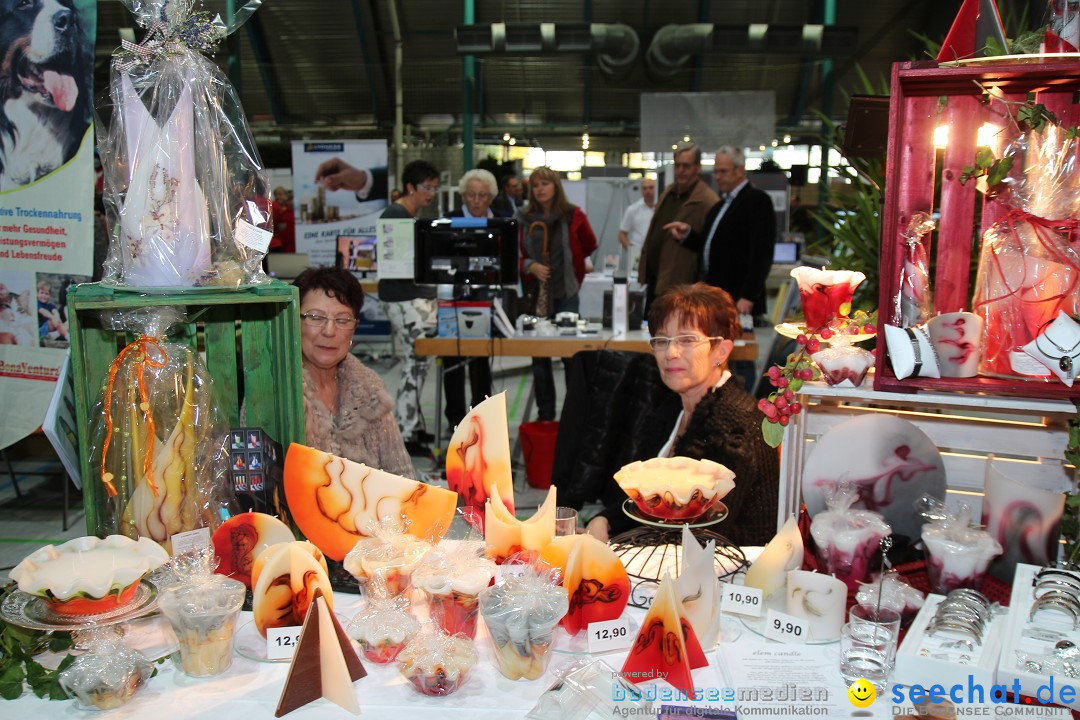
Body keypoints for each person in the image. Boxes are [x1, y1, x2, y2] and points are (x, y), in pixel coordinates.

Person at [584, 283, 779, 546]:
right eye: (662, 341)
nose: (670, 353)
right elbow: (643, 495)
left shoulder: (735, 423)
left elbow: (705, 535)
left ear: (721, 351)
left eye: (687, 340)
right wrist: (604, 520)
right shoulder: (671, 408)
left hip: (725, 570)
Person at [294, 267, 414, 478]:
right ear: (295, 321)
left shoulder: (370, 389)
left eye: (342, 320)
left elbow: (401, 474)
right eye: (315, 317)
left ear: (354, 328)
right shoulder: (277, 390)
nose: (329, 331)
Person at [519, 167, 598, 421]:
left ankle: (573, 416)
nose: (540, 188)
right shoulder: (523, 217)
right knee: (540, 358)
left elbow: (589, 244)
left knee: (570, 357)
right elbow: (514, 253)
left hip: (566, 293)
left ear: (555, 186)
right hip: (536, 295)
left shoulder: (573, 215)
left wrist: (574, 270)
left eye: (545, 183)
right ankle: (546, 416)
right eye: (536, 184)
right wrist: (530, 265)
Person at [664, 146, 777, 318]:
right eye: (716, 172)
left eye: (723, 172)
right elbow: (715, 246)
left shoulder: (757, 201)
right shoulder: (721, 205)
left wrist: (748, 296)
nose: (717, 177)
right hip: (716, 297)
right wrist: (688, 235)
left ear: (739, 171)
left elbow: (762, 253)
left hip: (738, 300)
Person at [380, 160, 441, 453]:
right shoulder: (396, 214)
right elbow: (399, 262)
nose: (431, 193)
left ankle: (412, 426)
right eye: (426, 187)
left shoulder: (410, 214)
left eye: (434, 187)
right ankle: (404, 433)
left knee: (420, 363)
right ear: (410, 187)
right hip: (405, 298)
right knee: (415, 363)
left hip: (415, 296)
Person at [442, 169, 497, 429]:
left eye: (483, 195)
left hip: (485, 295)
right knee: (452, 358)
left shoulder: (499, 222)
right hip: (453, 296)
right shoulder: (449, 220)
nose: (477, 201)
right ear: (464, 196)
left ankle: (482, 417)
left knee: (481, 358)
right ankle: (454, 418)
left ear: (491, 197)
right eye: (472, 195)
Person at [637, 144, 718, 312]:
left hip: (680, 287)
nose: (681, 170)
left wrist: (689, 236)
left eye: (686, 166)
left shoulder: (707, 201)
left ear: (698, 168)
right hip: (656, 281)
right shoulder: (668, 192)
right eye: (677, 165)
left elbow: (712, 246)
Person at [617, 177, 656, 272]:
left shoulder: (662, 208)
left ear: (656, 189)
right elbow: (622, 234)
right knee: (635, 281)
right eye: (645, 188)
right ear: (641, 191)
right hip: (637, 253)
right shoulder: (632, 209)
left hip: (657, 252)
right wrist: (631, 250)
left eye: (651, 187)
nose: (648, 190)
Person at [269, 186, 295, 254]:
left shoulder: (291, 208)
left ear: (286, 195)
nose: (278, 197)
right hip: (278, 242)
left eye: (280, 194)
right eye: (276, 195)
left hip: (291, 243)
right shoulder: (273, 207)